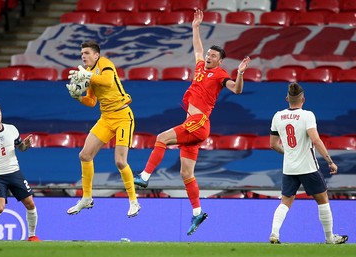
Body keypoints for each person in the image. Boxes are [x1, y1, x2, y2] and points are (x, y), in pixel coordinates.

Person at [134, 9, 251, 236]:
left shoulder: (220, 75)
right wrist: (195, 27)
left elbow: (236, 89)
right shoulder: (199, 67)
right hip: (193, 126)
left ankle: (145, 176)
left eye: (213, 56)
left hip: (199, 122)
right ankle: (198, 212)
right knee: (186, 174)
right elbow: (197, 48)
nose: (208, 57)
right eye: (208, 54)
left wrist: (241, 74)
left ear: (220, 61)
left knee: (161, 138)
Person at [65, 41, 140, 218]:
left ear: (96, 55)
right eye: (82, 53)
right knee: (84, 155)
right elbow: (91, 102)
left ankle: (133, 201)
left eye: (87, 53)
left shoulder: (105, 64)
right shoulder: (88, 73)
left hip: (122, 117)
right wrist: (77, 97)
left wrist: (86, 76)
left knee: (120, 162)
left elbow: (106, 81)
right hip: (106, 118)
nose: (83, 56)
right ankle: (86, 198)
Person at [269, 82, 348, 244]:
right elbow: (315, 140)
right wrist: (330, 161)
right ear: (303, 99)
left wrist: (290, 153)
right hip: (308, 166)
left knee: (285, 201)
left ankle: (274, 234)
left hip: (289, 167)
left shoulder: (277, 116)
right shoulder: (307, 115)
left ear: (287, 99)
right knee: (323, 199)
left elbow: (273, 144)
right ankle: (329, 238)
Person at [0, 102, 40, 241]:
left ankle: (32, 235)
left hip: (14, 172)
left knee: (30, 203)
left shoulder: (12, 129)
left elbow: (21, 148)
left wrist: (26, 145)